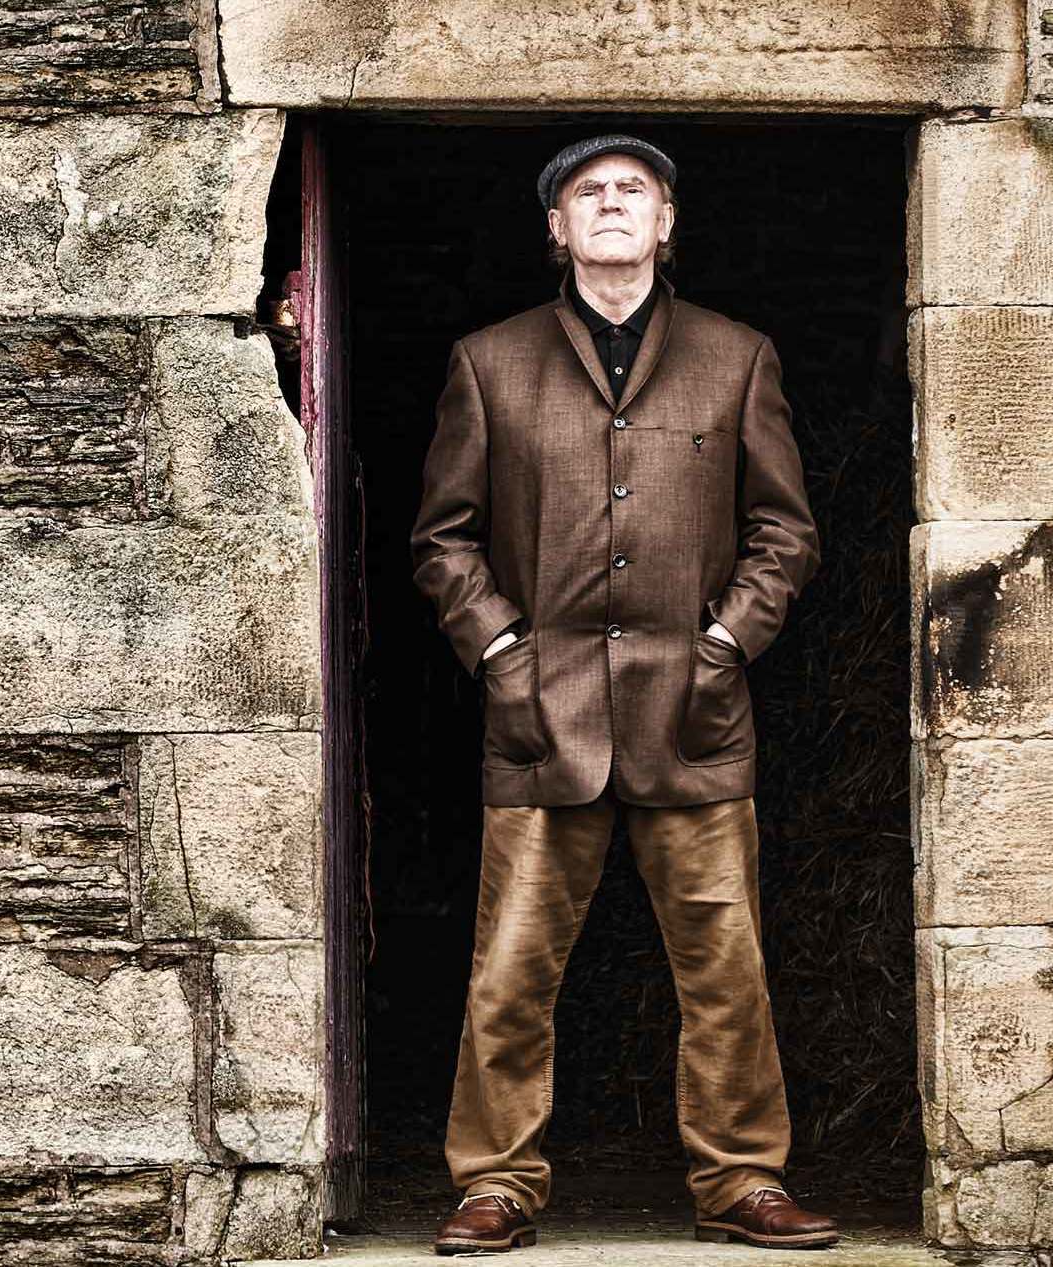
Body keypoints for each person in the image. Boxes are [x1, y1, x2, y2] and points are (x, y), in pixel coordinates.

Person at [409, 134, 836, 1254]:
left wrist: (722, 644)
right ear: (555, 229)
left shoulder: (735, 356)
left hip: (693, 720)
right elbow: (442, 539)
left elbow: (784, 532)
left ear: (664, 224)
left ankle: (742, 1179)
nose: (608, 204)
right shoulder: (486, 361)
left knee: (725, 969)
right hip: (537, 722)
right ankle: (493, 1182)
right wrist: (501, 654)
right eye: (585, 194)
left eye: (630, 191)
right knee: (508, 972)